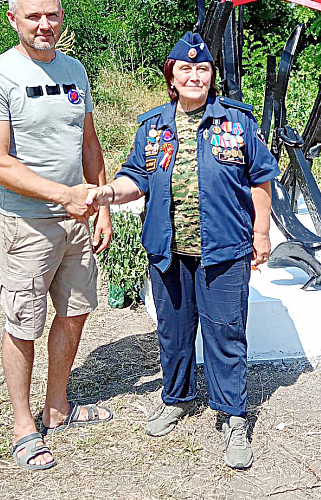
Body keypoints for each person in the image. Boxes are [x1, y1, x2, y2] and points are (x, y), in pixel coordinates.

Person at [85, 32, 279, 469]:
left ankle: (233, 416)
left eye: (203, 69)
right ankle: (177, 397)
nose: (195, 75)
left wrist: (261, 235)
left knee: (226, 334)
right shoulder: (153, 126)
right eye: (185, 69)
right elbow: (135, 176)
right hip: (169, 251)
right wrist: (106, 195)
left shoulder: (237, 122)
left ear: (213, 76)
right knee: (173, 333)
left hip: (224, 251)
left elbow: (262, 178)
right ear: (171, 76)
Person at [0, 0, 113, 472]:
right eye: (33, 16)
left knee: (75, 313)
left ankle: (57, 408)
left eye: (51, 14)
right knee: (23, 325)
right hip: (27, 225)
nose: (44, 24)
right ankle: (23, 427)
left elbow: (88, 144)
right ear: (13, 19)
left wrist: (102, 204)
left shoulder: (74, 71)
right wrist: (64, 197)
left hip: (78, 221)